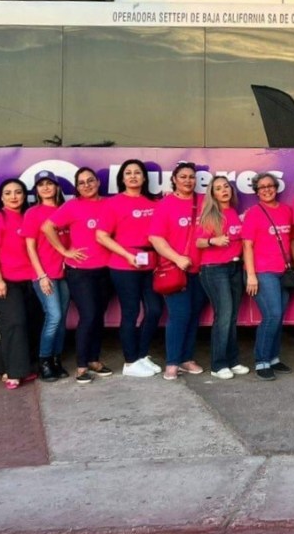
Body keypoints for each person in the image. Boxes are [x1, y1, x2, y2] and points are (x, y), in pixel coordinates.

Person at [43, 167, 113, 384]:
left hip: (106, 269)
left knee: (99, 316)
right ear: (77, 187)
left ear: (98, 183)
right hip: (80, 272)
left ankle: (94, 359)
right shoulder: (72, 206)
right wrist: (64, 251)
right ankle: (82, 366)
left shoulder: (110, 204)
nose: (87, 185)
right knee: (89, 315)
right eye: (81, 183)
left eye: (90, 180)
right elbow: (47, 227)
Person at [96, 159, 164, 378]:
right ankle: (130, 361)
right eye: (128, 173)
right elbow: (101, 235)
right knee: (131, 312)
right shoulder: (114, 203)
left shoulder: (154, 203)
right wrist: (127, 255)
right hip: (123, 264)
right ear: (122, 178)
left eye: (137, 172)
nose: (133, 176)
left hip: (151, 264)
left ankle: (142, 354)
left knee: (154, 309)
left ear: (144, 178)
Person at [149, 161, 207, 381]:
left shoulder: (204, 201)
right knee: (179, 315)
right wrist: (177, 258)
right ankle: (172, 362)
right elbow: (155, 237)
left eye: (191, 177)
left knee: (193, 315)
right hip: (175, 269)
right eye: (183, 177)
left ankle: (186, 358)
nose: (188, 181)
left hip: (202, 271)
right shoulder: (166, 204)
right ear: (174, 179)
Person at [0, 178, 40, 390]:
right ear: (1, 197)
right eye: (8, 193)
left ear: (25, 195)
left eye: (18, 192)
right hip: (5, 281)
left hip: (30, 280)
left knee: (29, 323)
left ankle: (5, 367)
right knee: (15, 323)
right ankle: (15, 373)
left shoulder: (29, 216)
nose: (13, 197)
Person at [242, 172, 294, 381]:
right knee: (272, 315)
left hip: (283, 272)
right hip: (263, 272)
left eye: (270, 186)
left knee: (279, 315)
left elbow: (291, 240)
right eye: (262, 187)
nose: (267, 190)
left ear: (276, 188)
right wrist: (251, 275)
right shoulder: (254, 213)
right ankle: (261, 361)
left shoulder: (286, 210)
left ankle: (273, 358)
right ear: (256, 192)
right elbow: (247, 245)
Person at [196, 175, 248, 380]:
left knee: (232, 316)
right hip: (214, 269)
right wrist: (213, 240)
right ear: (213, 194)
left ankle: (232, 360)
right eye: (218, 188)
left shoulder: (233, 212)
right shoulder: (210, 215)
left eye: (226, 186)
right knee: (224, 315)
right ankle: (218, 364)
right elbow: (198, 242)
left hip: (235, 267)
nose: (224, 190)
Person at [23, 171, 71, 381]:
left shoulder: (65, 210)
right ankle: (44, 361)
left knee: (62, 320)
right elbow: (30, 248)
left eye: (49, 184)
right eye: (41, 185)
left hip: (65, 274)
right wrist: (41, 275)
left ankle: (56, 360)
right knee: (54, 317)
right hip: (44, 274)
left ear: (57, 187)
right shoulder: (33, 213)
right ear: (36, 190)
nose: (45, 188)